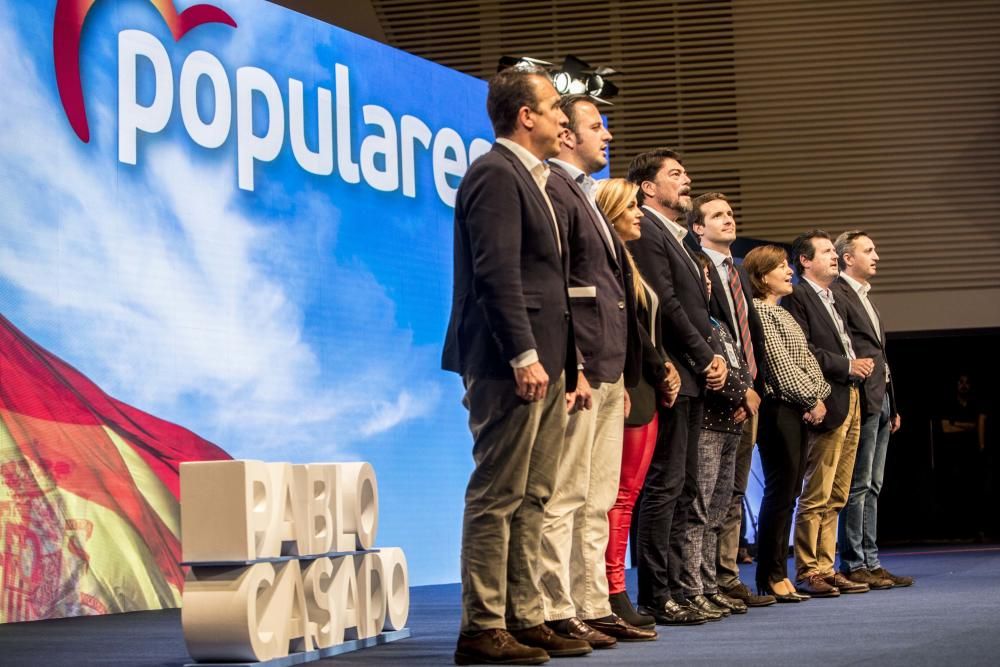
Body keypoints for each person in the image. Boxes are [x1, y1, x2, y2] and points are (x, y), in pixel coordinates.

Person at [442, 64, 591, 666]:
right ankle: (481, 626)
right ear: (525, 116)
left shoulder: (537, 179)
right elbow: (496, 273)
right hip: (510, 363)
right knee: (498, 492)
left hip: (547, 362)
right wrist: (524, 355)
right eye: (555, 107)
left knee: (536, 495)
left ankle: (525, 617)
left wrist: (571, 365)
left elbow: (556, 287)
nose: (564, 118)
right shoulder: (495, 174)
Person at [538, 97, 655, 647]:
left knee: (598, 498)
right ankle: (557, 606)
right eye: (594, 126)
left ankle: (592, 603)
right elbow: (558, 287)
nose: (605, 136)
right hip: (582, 369)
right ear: (565, 137)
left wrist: (617, 376)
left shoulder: (581, 194)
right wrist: (575, 366)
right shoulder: (555, 191)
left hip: (608, 373)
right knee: (566, 496)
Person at [626, 149, 728, 626]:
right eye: (675, 174)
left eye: (686, 173)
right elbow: (664, 304)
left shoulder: (680, 238)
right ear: (648, 187)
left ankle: (677, 590)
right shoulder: (645, 228)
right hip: (668, 374)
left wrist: (713, 358)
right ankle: (655, 593)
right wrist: (706, 356)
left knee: (684, 486)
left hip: (691, 374)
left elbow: (695, 308)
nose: (686, 180)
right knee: (663, 486)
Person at [593, 178, 681, 630]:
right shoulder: (614, 263)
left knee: (625, 496)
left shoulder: (627, 261)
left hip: (644, 389)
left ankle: (613, 590)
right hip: (629, 389)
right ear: (610, 212)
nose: (639, 214)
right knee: (619, 498)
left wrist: (662, 366)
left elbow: (645, 333)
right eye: (631, 206)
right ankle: (612, 590)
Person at [688, 192, 776, 609]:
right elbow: (705, 334)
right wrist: (736, 388)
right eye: (717, 215)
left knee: (734, 493)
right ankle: (705, 582)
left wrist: (755, 387)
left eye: (730, 213)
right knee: (708, 495)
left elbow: (747, 338)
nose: (728, 220)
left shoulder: (737, 272)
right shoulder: (697, 266)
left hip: (749, 395)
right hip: (716, 396)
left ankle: (725, 576)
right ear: (698, 227)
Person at [782, 231, 873, 598]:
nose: (834, 257)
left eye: (834, 252)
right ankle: (808, 568)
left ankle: (826, 565)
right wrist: (847, 366)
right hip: (826, 397)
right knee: (816, 490)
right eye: (825, 252)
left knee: (838, 491)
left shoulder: (833, 297)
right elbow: (804, 352)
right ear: (804, 260)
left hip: (849, 398)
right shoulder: (798, 296)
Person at [741, 245, 830, 602]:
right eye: (780, 267)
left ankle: (778, 571)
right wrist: (813, 398)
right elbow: (780, 367)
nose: (789, 271)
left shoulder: (784, 313)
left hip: (797, 406)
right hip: (779, 409)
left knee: (790, 493)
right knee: (779, 493)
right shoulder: (761, 312)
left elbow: (807, 360)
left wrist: (818, 394)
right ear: (763, 277)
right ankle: (770, 574)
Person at [675, 251, 755, 619]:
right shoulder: (695, 328)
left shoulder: (719, 325)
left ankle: (709, 585)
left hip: (731, 422)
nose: (706, 284)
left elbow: (738, 364)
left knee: (719, 510)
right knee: (698, 510)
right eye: (701, 278)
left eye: (709, 279)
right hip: (707, 421)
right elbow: (706, 368)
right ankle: (690, 588)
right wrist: (741, 394)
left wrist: (746, 399)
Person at [832, 230, 912, 589]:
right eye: (868, 250)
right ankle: (854, 561)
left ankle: (871, 559)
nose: (876, 255)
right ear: (848, 258)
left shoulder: (865, 297)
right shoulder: (838, 294)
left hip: (881, 398)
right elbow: (847, 348)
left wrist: (891, 402)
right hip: (860, 396)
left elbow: (879, 354)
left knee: (874, 484)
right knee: (858, 483)